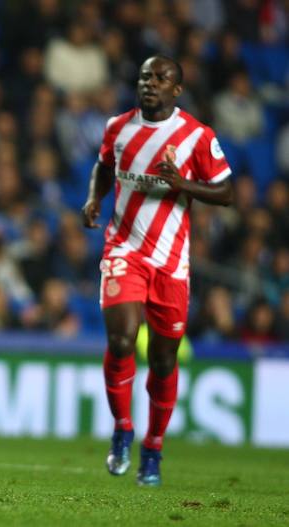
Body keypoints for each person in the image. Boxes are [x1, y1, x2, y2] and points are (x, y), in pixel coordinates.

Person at [81, 56, 233, 487]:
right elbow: (104, 165)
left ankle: (154, 446)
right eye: (145, 75)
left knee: (163, 359)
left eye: (161, 78)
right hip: (123, 248)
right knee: (122, 338)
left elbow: (226, 192)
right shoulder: (118, 127)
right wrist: (95, 198)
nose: (150, 82)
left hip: (171, 262)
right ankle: (123, 428)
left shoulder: (196, 137)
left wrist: (183, 184)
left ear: (176, 90)